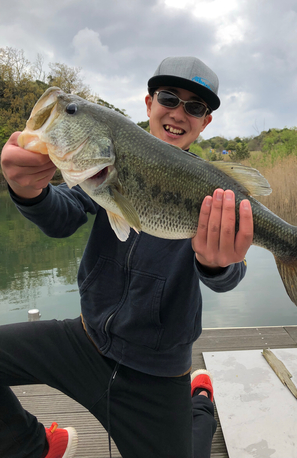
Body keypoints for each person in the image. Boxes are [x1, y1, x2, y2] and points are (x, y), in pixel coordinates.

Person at [0, 56, 253, 458]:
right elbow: (61, 217)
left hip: (157, 371)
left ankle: (200, 402)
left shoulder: (211, 191)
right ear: (149, 103)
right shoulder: (108, 161)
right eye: (169, 98)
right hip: (85, 342)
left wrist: (217, 262)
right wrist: (29, 191)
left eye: (195, 107)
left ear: (205, 123)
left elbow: (228, 272)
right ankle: (37, 446)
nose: (178, 113)